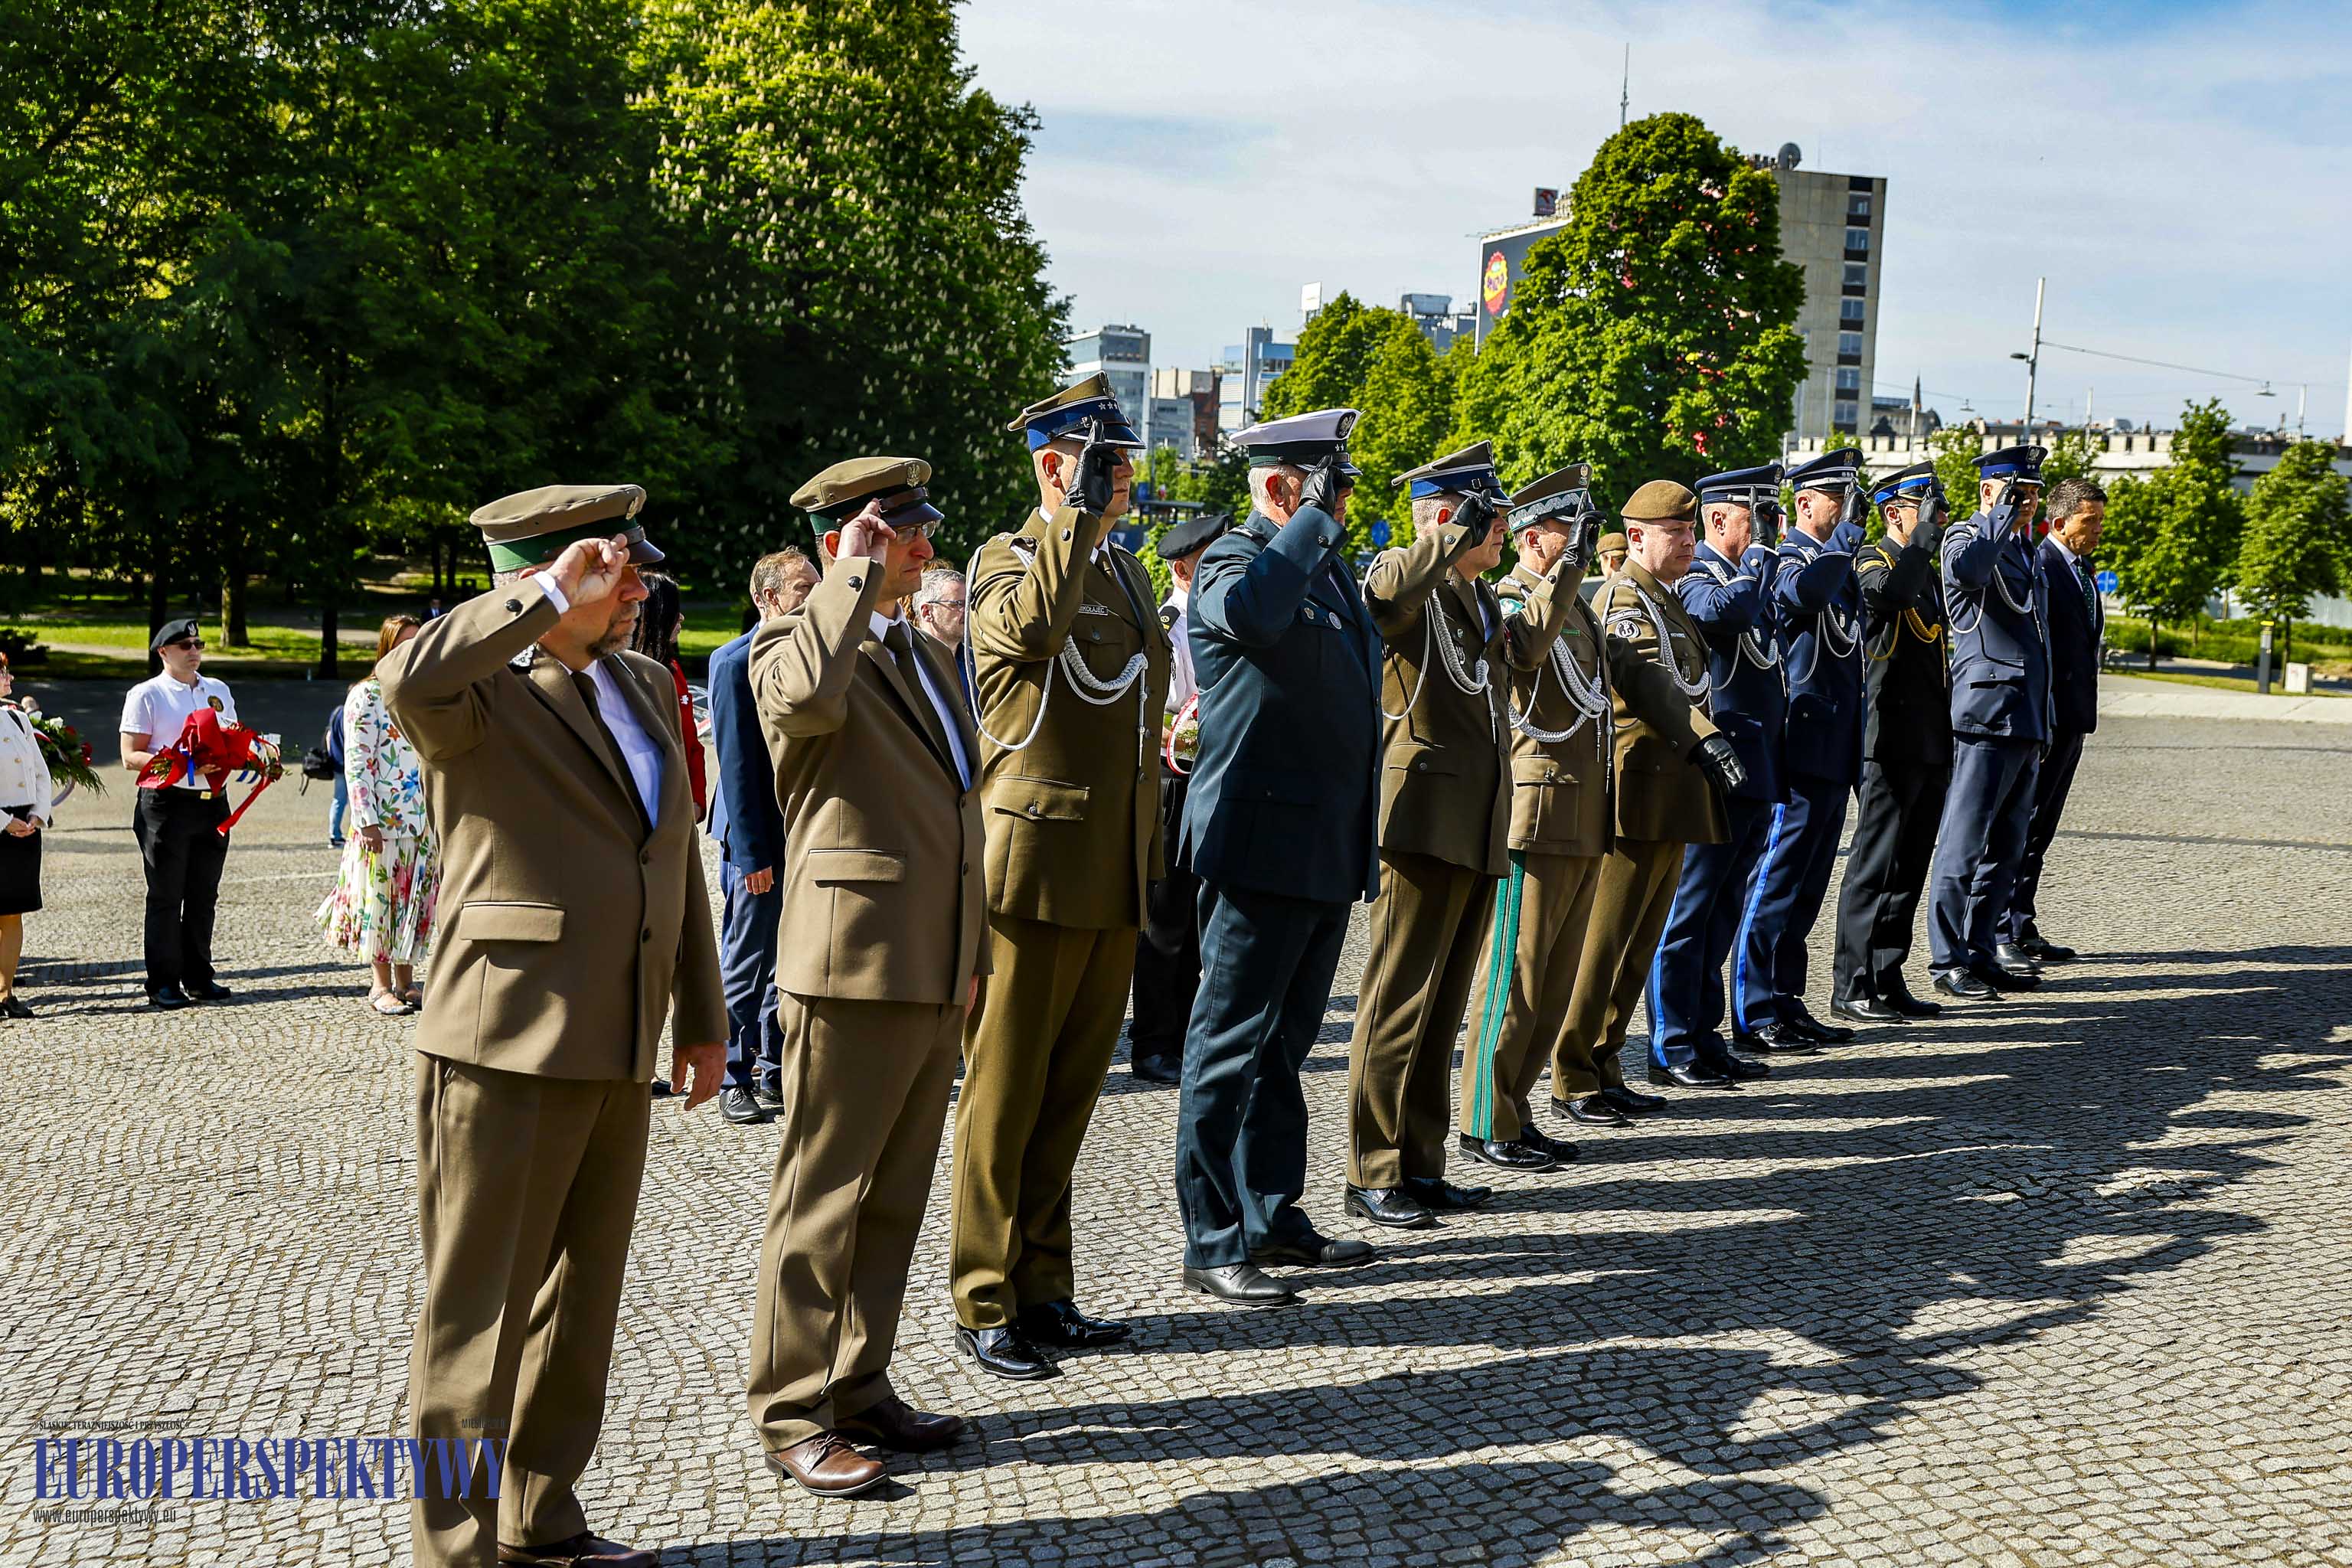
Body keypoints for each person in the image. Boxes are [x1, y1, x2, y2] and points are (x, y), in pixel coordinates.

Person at [379, 483, 724, 1568]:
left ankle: (541, 1517)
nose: (636, 588)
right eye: (611, 567)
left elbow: (671, 858)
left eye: (631, 567)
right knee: (475, 1322)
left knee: (578, 1310)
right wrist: (539, 594)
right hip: (505, 1042)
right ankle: (454, 1550)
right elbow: (407, 674)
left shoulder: (640, 683)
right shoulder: (478, 689)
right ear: (545, 573)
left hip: (620, 1038)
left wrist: (701, 1013)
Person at [746, 456, 983, 1498]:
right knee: (821, 1201)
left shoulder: (922, 653)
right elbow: (800, 702)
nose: (927, 550)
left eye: (921, 532)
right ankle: (793, 1411)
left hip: (928, 963)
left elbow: (962, 803)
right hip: (848, 968)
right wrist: (844, 574)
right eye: (905, 535)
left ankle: (859, 1382)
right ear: (859, 540)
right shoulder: (788, 644)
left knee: (892, 1199)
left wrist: (968, 957)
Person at [949, 377, 1170, 1382]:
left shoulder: (1122, 572)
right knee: (1003, 1101)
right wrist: (1067, 519)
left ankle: (1046, 1287)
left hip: (1109, 868)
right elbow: (1031, 632)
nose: (1127, 478)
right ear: (1057, 466)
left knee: (1070, 1096)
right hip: (1029, 872)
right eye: (1108, 463)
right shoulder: (1006, 560)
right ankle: (985, 1298)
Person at [1176, 407, 1381, 1308]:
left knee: (1285, 1045)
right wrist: (1304, 524)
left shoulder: (1328, 572)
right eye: (1323, 487)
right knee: (1226, 1043)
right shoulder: (1231, 561)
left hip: (1323, 841)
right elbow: (1254, 618)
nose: (1337, 504)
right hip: (1258, 842)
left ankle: (1272, 1211)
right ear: (1278, 487)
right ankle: (1212, 1235)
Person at [1459, 466, 1712, 1152]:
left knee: (1555, 981)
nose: (1579, 544)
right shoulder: (1509, 602)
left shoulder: (1575, 609)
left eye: (1583, 532)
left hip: (1583, 812)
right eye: (1567, 532)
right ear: (1532, 539)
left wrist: (1705, 739)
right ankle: (1487, 1119)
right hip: (1534, 814)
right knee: (1517, 977)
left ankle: (1519, 1109)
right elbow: (1527, 658)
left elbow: (1629, 680)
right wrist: (1568, 573)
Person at [1345, 441, 1535, 1227]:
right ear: (1447, 516)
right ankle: (1371, 1166)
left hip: (1471, 820)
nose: (1496, 532)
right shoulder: (1409, 575)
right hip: (1421, 819)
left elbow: (1514, 670)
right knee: (1396, 1001)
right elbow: (1382, 594)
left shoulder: (1473, 598)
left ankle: (1421, 1160)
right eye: (1483, 517)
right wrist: (1443, 534)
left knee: (1441, 1003)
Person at [1563, 482, 1747, 1098]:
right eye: (1676, 532)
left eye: (1692, 531)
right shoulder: (1626, 602)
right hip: (1637, 794)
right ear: (1636, 537)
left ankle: (1607, 1065)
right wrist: (1706, 738)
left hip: (1672, 794)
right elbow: (1649, 685)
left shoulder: (1664, 600)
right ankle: (1575, 1074)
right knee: (1605, 946)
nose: (1689, 541)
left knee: (1637, 947)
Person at [1648, 464, 1792, 1086]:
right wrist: (1762, 554)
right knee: (1691, 911)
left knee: (1724, 910)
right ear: (1717, 520)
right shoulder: (1699, 578)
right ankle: (1671, 1043)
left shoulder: (1746, 576)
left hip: (1755, 766)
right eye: (1757, 518)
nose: (1769, 530)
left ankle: (1705, 1034)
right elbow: (1725, 616)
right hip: (1714, 769)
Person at [1734, 449, 1868, 1048]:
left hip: (1833, 748)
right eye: (1840, 500)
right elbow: (1805, 597)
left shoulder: (1833, 561)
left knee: (1808, 888)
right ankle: (1753, 1008)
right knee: (1775, 884)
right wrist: (1846, 537)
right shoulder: (1792, 558)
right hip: (1799, 750)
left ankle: (1787, 998)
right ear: (1805, 502)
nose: (1848, 511)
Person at [1928, 446, 2053, 1001]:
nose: (2027, 505)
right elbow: (1966, 572)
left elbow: (2039, 642)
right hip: (1984, 716)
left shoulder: (2026, 553)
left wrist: (2045, 721)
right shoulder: (1965, 536)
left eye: (2032, 496)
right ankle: (1947, 959)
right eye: (2018, 494)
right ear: (1990, 491)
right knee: (1963, 846)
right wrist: (1999, 515)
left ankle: (1981, 950)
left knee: (2007, 846)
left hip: (2024, 717)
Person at [1831, 463, 1953, 1021]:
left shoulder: (1923, 569)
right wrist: (1924, 539)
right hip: (1886, 735)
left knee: (1909, 865)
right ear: (1893, 513)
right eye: (1924, 509)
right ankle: (1852, 984)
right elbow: (1890, 595)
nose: (1936, 520)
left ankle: (1887, 973)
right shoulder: (1873, 561)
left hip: (1927, 734)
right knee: (1874, 863)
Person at [705, 547, 819, 1126]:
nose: (815, 596)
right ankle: (731, 1073)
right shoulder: (732, 662)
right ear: (767, 599)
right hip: (757, 839)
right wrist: (752, 852)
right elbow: (736, 763)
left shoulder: (817, 657)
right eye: (803, 588)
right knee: (746, 960)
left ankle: (775, 1070)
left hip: (804, 836)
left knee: (790, 962)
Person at [1127, 509, 1230, 1086]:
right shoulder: (1170, 623)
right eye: (1213, 557)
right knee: (1165, 919)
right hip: (1174, 778)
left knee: (1199, 918)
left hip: (1209, 775)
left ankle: (1189, 1035)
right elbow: (1171, 704)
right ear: (1186, 567)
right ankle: (1153, 1044)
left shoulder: (1218, 617)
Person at [2001, 475, 2107, 966]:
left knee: (2041, 829)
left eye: (2102, 520)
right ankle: (2000, 926)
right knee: (2018, 825)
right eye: (2091, 521)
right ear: (2059, 522)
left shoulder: (2083, 570)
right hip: (2046, 715)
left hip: (2073, 718)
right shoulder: (2042, 565)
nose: (2099, 530)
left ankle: (2022, 922)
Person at [316, 616, 439, 1015]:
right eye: (404, 642)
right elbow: (357, 762)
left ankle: (407, 981)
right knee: (382, 901)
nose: (412, 648)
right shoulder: (367, 695)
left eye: (418, 641)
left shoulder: (424, 692)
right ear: (386, 647)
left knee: (412, 900)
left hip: (421, 818)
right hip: (383, 821)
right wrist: (365, 819)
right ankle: (380, 984)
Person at [120, 617, 241, 1010]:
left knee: (204, 895)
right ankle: (163, 982)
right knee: (167, 896)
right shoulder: (147, 694)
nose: (194, 652)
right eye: (185, 645)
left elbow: (232, 735)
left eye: (199, 644)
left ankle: (200, 977)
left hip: (211, 802)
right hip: (166, 805)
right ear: (163, 652)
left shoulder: (217, 690)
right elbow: (130, 756)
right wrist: (183, 764)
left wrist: (253, 754)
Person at [0, 650, 54, 1019]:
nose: (9, 679)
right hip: (0, 822)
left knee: (12, 912)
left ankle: (5, 992)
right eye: (3, 672)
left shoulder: (18, 718)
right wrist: (2, 821)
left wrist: (38, 813)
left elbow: (40, 772)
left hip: (24, 823)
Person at [629, 570, 707, 822]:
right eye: (674, 610)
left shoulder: (673, 670)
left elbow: (691, 745)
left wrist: (696, 801)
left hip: (681, 812)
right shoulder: (629, 677)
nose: (681, 618)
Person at [911, 565, 968, 652]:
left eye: (969, 603)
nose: (968, 611)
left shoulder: (977, 661)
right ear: (927, 612)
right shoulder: (909, 658)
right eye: (959, 604)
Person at [325, 696, 350, 849]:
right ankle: (354, 834)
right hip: (349, 762)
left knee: (338, 799)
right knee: (356, 800)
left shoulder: (337, 712)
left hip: (337, 761)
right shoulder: (353, 713)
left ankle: (334, 835)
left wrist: (331, 756)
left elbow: (329, 736)